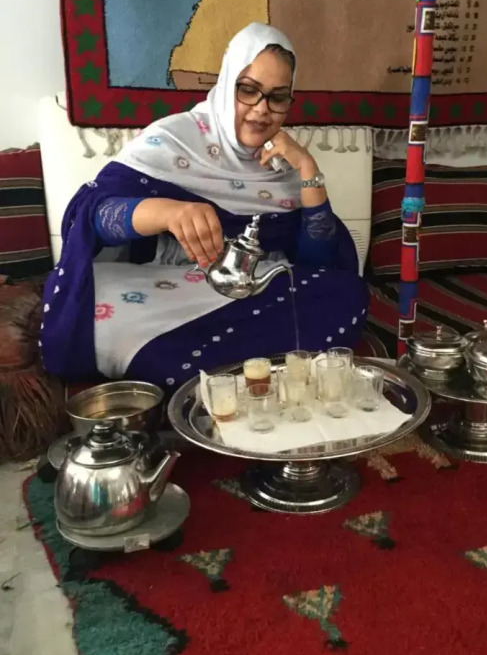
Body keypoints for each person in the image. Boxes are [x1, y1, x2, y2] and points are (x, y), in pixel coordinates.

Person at [41, 23, 369, 390]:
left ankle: (192, 373)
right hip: (164, 289)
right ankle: (244, 371)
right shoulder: (174, 139)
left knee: (346, 294)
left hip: (251, 293)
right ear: (227, 84)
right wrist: (167, 212)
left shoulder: (284, 163)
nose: (262, 110)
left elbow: (319, 263)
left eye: (277, 97)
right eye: (248, 90)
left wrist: (308, 169)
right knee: (89, 304)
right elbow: (91, 216)